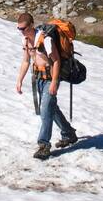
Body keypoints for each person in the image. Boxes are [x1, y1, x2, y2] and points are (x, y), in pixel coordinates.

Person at [15, 12, 77, 160]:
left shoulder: (46, 39)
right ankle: (68, 133)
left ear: (31, 25)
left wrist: (55, 82)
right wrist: (19, 80)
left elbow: (56, 61)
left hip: (50, 78)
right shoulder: (25, 41)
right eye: (19, 29)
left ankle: (44, 145)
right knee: (51, 108)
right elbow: (26, 61)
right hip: (39, 78)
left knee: (45, 110)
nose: (21, 31)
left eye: (23, 28)